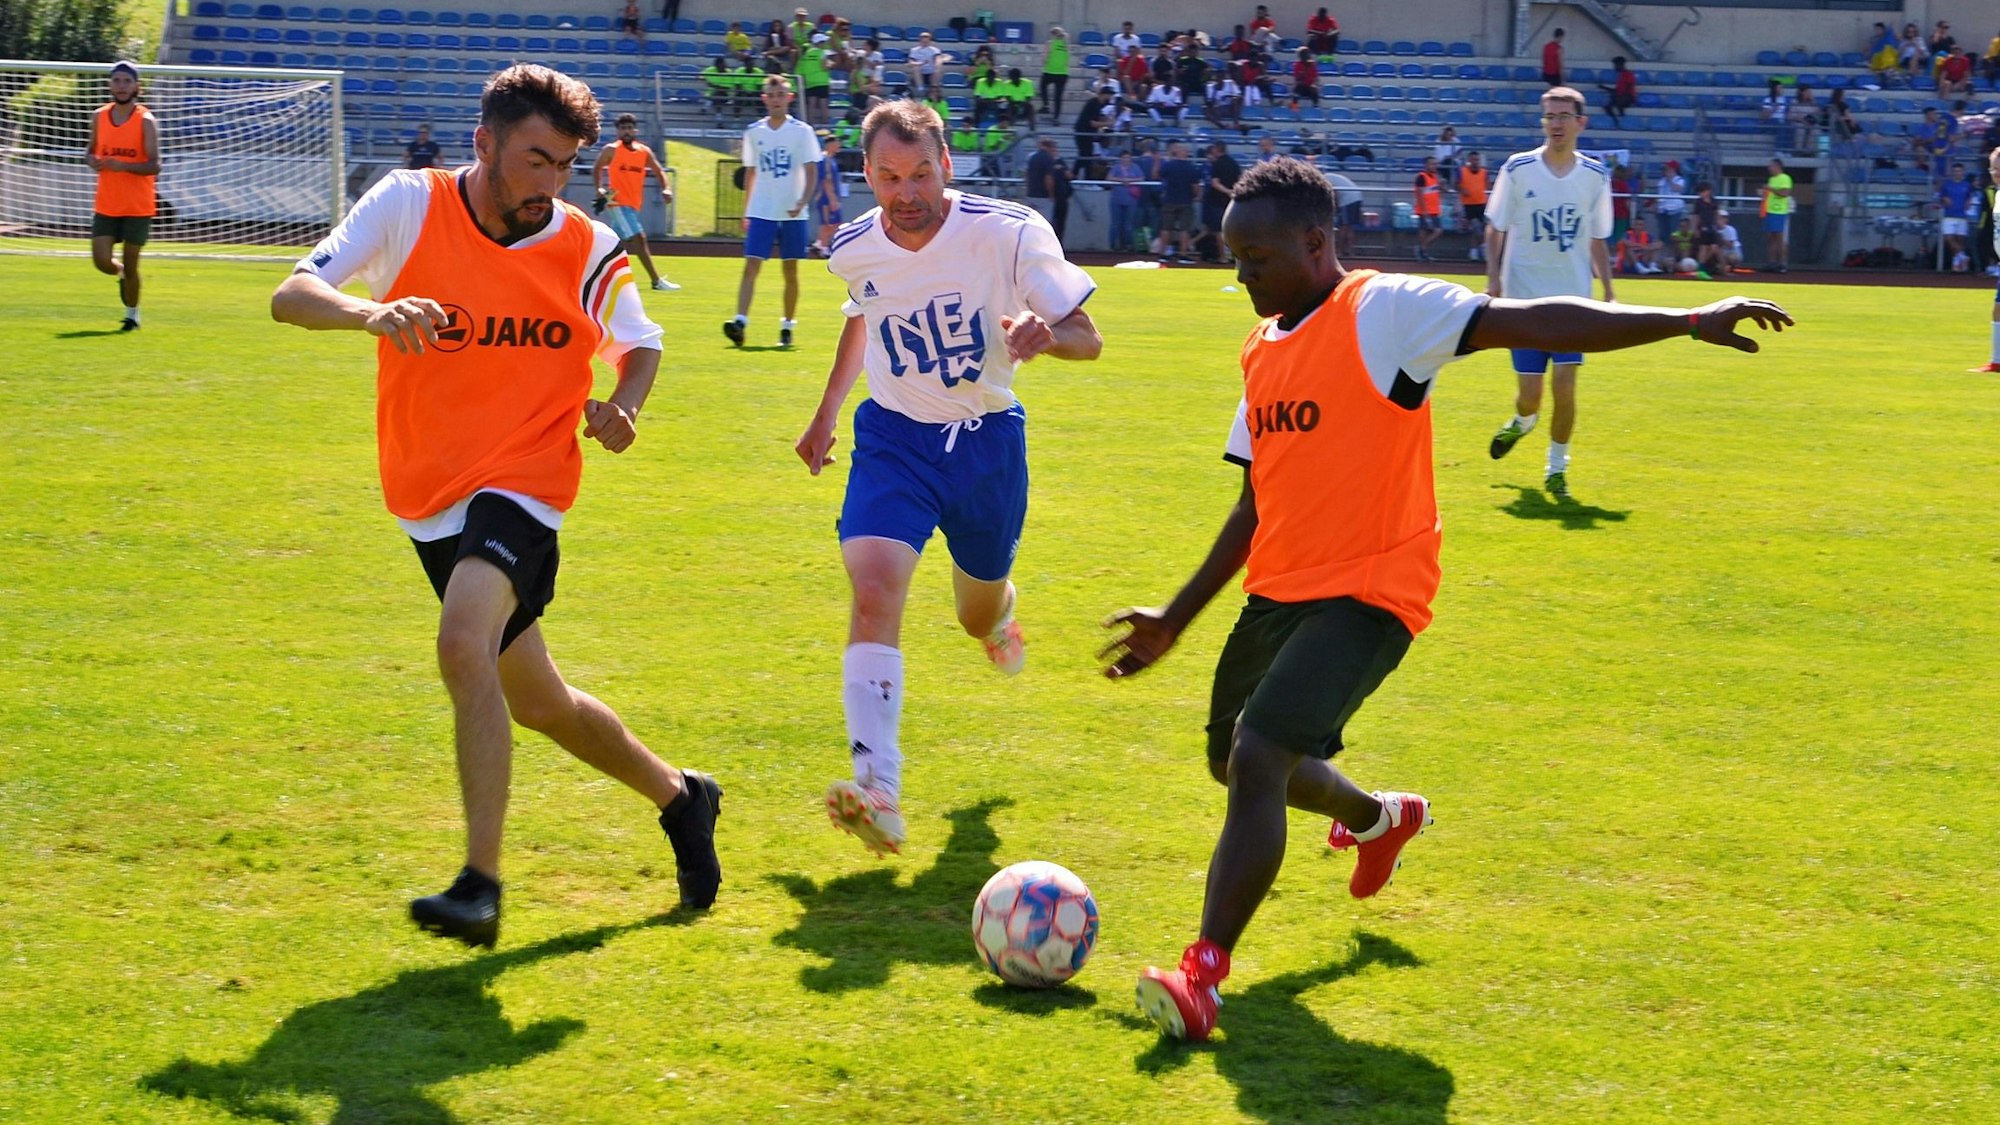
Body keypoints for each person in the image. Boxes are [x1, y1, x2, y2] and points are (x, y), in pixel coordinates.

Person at [1102, 155, 1794, 1043]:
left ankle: (1203, 975)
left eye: (1257, 257)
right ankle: (1379, 817)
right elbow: (1253, 502)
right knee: (1235, 763)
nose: (1241, 275)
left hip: (1370, 590)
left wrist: (1687, 318)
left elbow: (1531, 317)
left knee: (1258, 755)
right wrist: (1174, 616)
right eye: (1234, 257)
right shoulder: (1262, 344)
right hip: (1277, 590)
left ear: (1317, 243)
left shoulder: (1383, 311)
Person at [269, 64, 725, 947]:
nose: (549, 186)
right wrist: (372, 315)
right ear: (483, 144)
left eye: (563, 166)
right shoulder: (407, 204)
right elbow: (293, 294)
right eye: (534, 161)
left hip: (527, 479)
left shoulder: (588, 245)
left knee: (459, 641)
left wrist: (624, 406)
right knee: (539, 702)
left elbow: (642, 343)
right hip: (427, 490)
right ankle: (682, 796)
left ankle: (480, 883)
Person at [795, 100, 1101, 858]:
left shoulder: (1010, 231)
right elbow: (863, 312)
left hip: (985, 444)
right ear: (867, 175)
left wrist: (1046, 335)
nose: (908, 193)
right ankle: (879, 787)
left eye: (922, 173)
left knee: (974, 608)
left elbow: (1087, 339)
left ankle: (998, 615)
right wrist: (829, 409)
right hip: (894, 438)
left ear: (947, 166)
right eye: (890, 177)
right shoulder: (854, 246)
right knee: (872, 588)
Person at [1484, 86, 1615, 502]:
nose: (1554, 123)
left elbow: (1597, 237)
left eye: (1562, 116)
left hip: (1574, 300)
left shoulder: (1595, 176)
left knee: (1565, 388)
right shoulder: (1518, 168)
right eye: (1548, 116)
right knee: (1530, 396)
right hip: (1524, 301)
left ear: (1581, 122)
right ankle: (1522, 424)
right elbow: (1496, 227)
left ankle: (1557, 469)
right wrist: (1493, 281)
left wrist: (1609, 291)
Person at [725, 75, 821, 348]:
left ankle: (787, 326)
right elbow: (752, 172)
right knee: (751, 264)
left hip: (792, 211)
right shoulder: (754, 132)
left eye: (781, 94)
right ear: (764, 98)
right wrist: (747, 210)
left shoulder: (802, 131)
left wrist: (803, 201)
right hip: (762, 209)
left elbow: (812, 170)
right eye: (772, 94)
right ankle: (740, 321)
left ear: (789, 98)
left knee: (790, 272)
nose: (776, 99)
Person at [88, 61, 160, 333]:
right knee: (101, 260)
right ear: (110, 85)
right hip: (107, 203)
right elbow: (90, 150)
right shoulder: (99, 116)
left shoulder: (146, 121)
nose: (121, 86)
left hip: (137, 206)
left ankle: (132, 315)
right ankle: (119, 274)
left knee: (132, 265)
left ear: (136, 87)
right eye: (116, 81)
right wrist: (91, 160)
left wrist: (124, 165)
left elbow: (155, 165)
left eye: (126, 81)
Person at [592, 113, 679, 291]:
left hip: (632, 204)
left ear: (635, 130)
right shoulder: (611, 150)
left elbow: (659, 171)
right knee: (639, 238)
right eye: (623, 128)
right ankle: (656, 281)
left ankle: (591, 275)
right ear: (617, 131)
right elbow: (597, 168)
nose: (626, 131)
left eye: (629, 128)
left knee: (615, 243)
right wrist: (599, 188)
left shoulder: (643, 151)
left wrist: (666, 188)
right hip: (617, 202)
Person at [1973, 147, 2000, 372]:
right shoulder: (1997, 194)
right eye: (1994, 168)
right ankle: (1996, 362)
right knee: (1998, 310)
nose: (1996, 172)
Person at [1159, 140, 1202, 262]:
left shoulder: (1168, 165)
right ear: (1186, 153)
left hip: (1169, 200)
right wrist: (1197, 196)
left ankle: (1163, 254)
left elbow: (1159, 175)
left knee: (1166, 228)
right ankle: (1183, 254)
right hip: (1185, 201)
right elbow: (1195, 187)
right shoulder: (1191, 168)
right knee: (1184, 229)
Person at [1023, 136, 1072, 240]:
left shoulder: (1031, 157)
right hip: (1043, 196)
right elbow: (1048, 178)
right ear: (1049, 147)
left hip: (1031, 194)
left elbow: (1026, 174)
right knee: (1045, 225)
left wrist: (1027, 189)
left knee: (1030, 223)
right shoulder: (1048, 159)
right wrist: (1051, 195)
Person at [1201, 141, 1242, 263]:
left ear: (1217, 150)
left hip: (1217, 201)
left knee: (1219, 230)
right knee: (1232, 230)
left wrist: (1227, 191)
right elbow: (1240, 179)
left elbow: (1215, 183)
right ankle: (1235, 256)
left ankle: (1223, 256)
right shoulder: (1234, 163)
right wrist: (1233, 192)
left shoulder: (1216, 164)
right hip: (1231, 201)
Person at [810, 128, 848, 254]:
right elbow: (826, 181)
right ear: (830, 144)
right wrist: (832, 199)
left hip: (828, 196)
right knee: (831, 223)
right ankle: (823, 247)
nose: (839, 145)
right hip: (825, 197)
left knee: (828, 223)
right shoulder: (824, 159)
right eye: (836, 143)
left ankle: (820, 243)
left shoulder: (830, 159)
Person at [1938, 162, 1975, 270]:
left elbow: (1969, 197)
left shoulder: (1967, 185)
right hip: (1949, 215)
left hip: (1961, 215)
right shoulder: (1947, 185)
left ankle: (1957, 262)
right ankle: (1963, 256)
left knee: (1959, 240)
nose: (1957, 173)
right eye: (1955, 171)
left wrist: (1968, 203)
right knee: (1948, 238)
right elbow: (1941, 197)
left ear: (1963, 172)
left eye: (1959, 171)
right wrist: (1944, 200)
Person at [1759, 157, 1792, 273]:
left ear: (1777, 167)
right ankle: (1772, 263)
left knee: (1779, 238)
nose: (1769, 168)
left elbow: (1785, 193)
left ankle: (1782, 263)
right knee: (1770, 238)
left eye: (1771, 166)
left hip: (1779, 212)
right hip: (1769, 211)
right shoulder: (1772, 179)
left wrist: (1771, 189)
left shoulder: (1785, 178)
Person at [1108, 147, 1143, 252]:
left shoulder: (1135, 167)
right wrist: (1122, 180)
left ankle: (1128, 245)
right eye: (1124, 158)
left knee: (1129, 224)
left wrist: (1130, 180)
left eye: (1128, 157)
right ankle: (1113, 245)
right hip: (1117, 199)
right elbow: (1109, 178)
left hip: (1131, 200)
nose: (1126, 160)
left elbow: (1141, 178)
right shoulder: (1116, 167)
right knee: (1115, 223)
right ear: (1120, 159)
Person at [1457, 149, 1488, 260]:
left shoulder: (1484, 172)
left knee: (1483, 229)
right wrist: (1462, 189)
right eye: (1474, 159)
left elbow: (1487, 186)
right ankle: (1475, 250)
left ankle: (1481, 249)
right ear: (1469, 160)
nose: (1476, 162)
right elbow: (1456, 184)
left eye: (1477, 160)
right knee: (1474, 228)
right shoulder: (1462, 171)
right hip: (1468, 204)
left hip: (1481, 203)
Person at [1412, 154, 1443, 261]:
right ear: (1426, 165)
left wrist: (1443, 186)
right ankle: (1422, 251)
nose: (1434, 166)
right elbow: (1419, 195)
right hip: (1425, 210)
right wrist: (1424, 211)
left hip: (1434, 209)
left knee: (1436, 231)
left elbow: (1437, 190)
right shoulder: (1421, 177)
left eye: (1435, 164)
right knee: (1425, 230)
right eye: (1432, 164)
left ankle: (1422, 249)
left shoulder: (1435, 177)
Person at [1653, 159, 1686, 248]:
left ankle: (1675, 254)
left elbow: (1677, 189)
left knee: (1674, 233)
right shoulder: (1662, 181)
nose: (1665, 170)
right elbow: (1659, 194)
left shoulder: (1679, 180)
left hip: (1674, 210)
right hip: (1662, 209)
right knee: (1663, 234)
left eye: (1667, 168)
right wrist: (1656, 206)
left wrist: (1670, 179)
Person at [1041, 26, 1071, 120]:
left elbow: (1045, 58)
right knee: (1058, 97)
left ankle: (1046, 105)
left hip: (1049, 71)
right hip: (1062, 73)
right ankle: (1056, 117)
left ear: (1053, 35)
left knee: (1042, 86)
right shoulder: (1066, 45)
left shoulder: (1050, 43)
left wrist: (1044, 61)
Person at [909, 30, 946, 100]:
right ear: (920, 41)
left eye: (927, 42)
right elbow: (911, 62)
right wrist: (921, 63)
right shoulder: (914, 50)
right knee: (915, 68)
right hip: (920, 72)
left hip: (931, 72)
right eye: (923, 41)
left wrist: (938, 63)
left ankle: (934, 88)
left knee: (938, 69)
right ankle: (920, 88)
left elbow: (938, 59)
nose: (925, 43)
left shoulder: (935, 50)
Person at [1601, 56, 1636, 128]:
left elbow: (1628, 87)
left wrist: (1620, 95)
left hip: (1628, 97)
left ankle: (1622, 117)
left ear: (1621, 65)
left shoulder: (1628, 74)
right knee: (1607, 106)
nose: (1615, 67)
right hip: (1621, 96)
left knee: (1616, 100)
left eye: (1616, 65)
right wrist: (1604, 88)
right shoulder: (1621, 76)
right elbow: (1617, 90)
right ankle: (1616, 120)